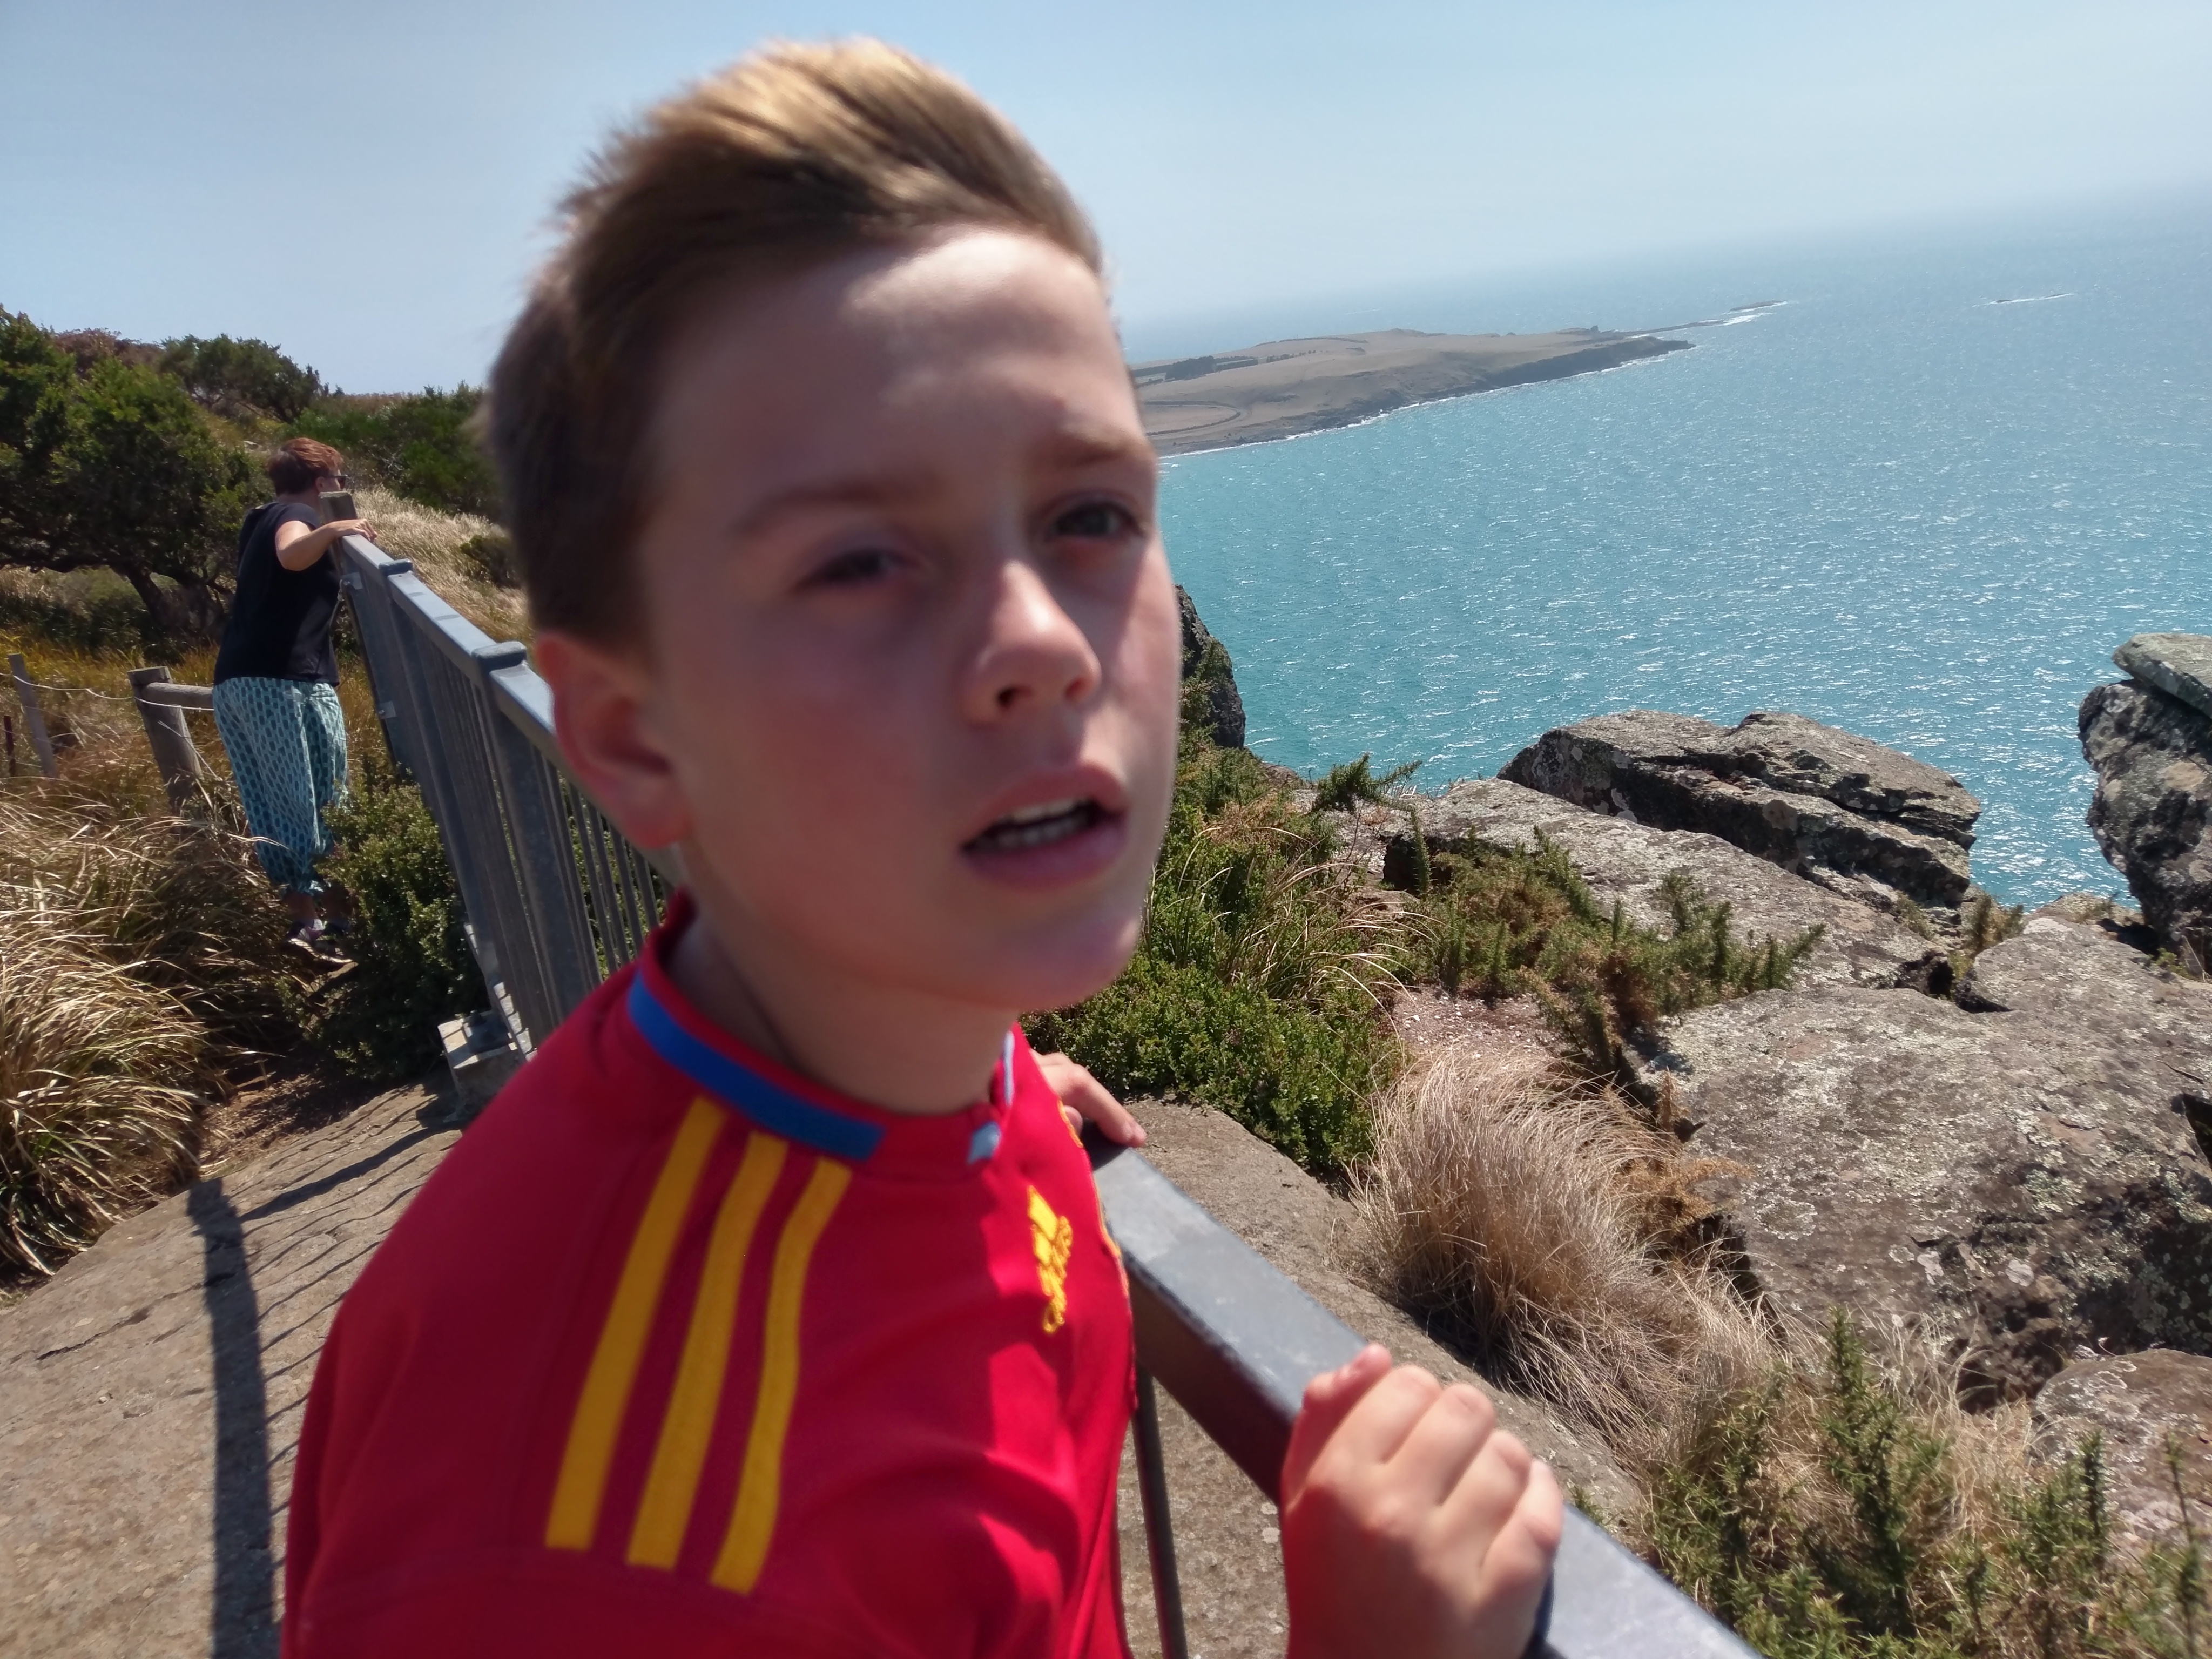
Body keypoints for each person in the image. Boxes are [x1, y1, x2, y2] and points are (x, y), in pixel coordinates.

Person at [280, 41, 1560, 1659]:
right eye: (862, 560)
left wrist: (976, 1074)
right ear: (631, 736)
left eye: (1090, 515)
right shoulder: (591, 1565)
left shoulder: (874, 1053)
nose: (1043, 643)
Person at [211, 436, 371, 949]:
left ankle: (305, 922)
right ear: (322, 483)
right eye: (340, 480)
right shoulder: (295, 517)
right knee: (324, 799)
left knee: (271, 803)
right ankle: (339, 923)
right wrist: (334, 528)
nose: (341, 487)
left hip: (237, 682)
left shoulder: (257, 518)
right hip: (285, 682)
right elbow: (292, 556)